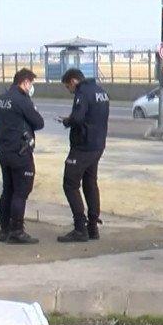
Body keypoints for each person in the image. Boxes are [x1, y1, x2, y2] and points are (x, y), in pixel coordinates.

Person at [56, 68, 110, 243]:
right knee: (90, 183)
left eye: (68, 87)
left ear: (73, 81)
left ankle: (80, 227)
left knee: (70, 184)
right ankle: (93, 226)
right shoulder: (101, 92)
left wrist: (67, 121)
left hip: (83, 146)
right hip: (97, 145)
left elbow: (78, 118)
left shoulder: (83, 93)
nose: (69, 91)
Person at [0, 68, 44, 244]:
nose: (31, 87)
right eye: (31, 84)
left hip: (4, 151)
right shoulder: (21, 100)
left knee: (8, 190)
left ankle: (4, 229)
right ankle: (17, 231)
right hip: (20, 152)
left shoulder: (1, 99)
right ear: (25, 82)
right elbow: (39, 122)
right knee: (21, 192)